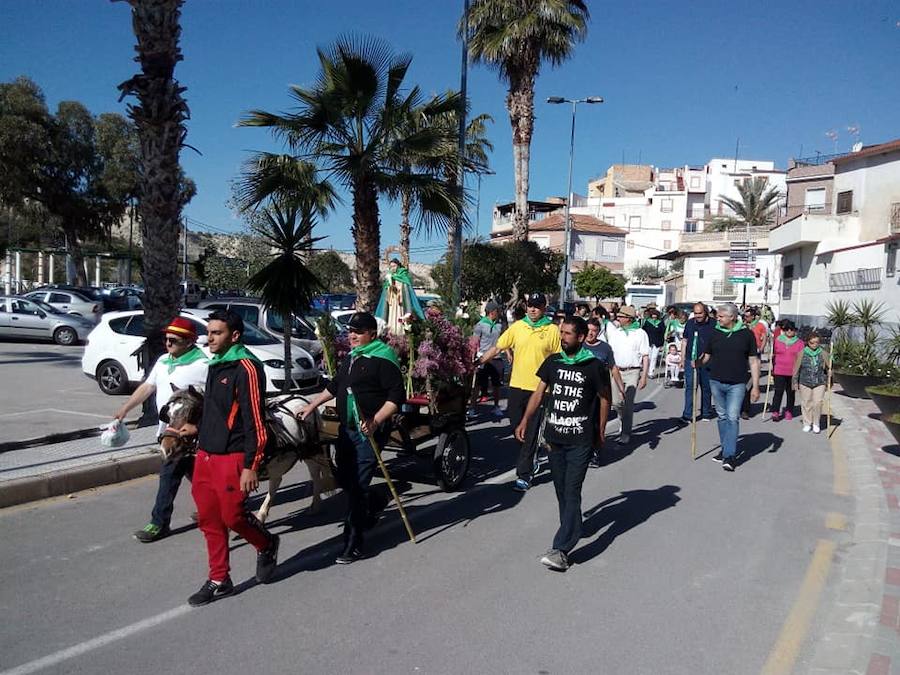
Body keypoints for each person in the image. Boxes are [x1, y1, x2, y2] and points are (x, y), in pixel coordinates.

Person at [188, 310, 279, 607]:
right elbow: (216, 411)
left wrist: (252, 465)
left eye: (216, 333)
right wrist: (198, 428)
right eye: (209, 332)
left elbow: (255, 420)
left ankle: (266, 543)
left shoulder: (247, 368)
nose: (209, 338)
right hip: (205, 454)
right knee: (209, 520)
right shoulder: (216, 364)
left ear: (234, 336)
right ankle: (219, 579)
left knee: (233, 517)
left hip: (234, 456)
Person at [299, 312, 405, 563]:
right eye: (350, 331)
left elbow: (395, 398)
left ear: (372, 333)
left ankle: (353, 542)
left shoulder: (384, 358)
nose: (352, 336)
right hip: (346, 431)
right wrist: (312, 405)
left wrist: (376, 420)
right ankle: (376, 499)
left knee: (356, 487)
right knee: (344, 480)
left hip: (369, 433)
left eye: (358, 331)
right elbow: (334, 386)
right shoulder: (352, 358)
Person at [514, 316, 611, 572]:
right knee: (560, 490)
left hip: (580, 439)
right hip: (554, 438)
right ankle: (572, 526)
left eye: (568, 333)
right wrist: (526, 419)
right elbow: (539, 392)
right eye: (562, 332)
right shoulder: (553, 362)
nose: (563, 337)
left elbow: (604, 399)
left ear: (580, 338)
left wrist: (600, 431)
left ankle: (562, 548)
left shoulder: (593, 365)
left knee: (571, 490)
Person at [114, 316, 209, 543]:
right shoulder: (164, 361)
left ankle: (159, 523)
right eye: (166, 339)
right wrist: (125, 408)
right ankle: (215, 510)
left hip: (190, 435)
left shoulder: (203, 365)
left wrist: (197, 426)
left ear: (189, 341)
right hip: (166, 432)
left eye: (174, 340)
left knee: (169, 475)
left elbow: (215, 400)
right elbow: (148, 386)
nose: (168, 344)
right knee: (196, 476)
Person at [479, 292, 561, 492]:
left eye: (537, 306)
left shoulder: (552, 330)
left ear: (544, 308)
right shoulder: (517, 327)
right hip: (516, 386)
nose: (533, 309)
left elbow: (559, 360)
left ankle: (524, 474)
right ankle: (530, 458)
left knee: (531, 432)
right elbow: (498, 348)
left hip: (540, 389)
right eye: (530, 306)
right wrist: (479, 362)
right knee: (517, 428)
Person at [701, 303, 760, 472]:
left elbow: (753, 361)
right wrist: (696, 362)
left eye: (720, 316)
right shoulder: (715, 333)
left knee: (732, 417)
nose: (717, 319)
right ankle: (725, 448)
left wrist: (755, 386)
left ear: (732, 317)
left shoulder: (746, 335)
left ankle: (730, 455)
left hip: (737, 383)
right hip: (716, 381)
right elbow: (706, 356)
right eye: (717, 316)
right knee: (721, 416)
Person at [605, 305, 649, 445]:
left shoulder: (640, 333)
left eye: (621, 316)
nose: (618, 318)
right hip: (616, 371)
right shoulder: (615, 332)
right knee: (616, 402)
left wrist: (644, 376)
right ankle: (621, 416)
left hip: (633, 371)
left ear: (629, 319)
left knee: (628, 403)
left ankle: (625, 433)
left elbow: (645, 356)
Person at [585, 318, 625, 465]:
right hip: (582, 391)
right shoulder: (578, 345)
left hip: (600, 391)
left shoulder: (605, 348)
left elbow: (613, 367)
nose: (590, 334)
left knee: (598, 423)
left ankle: (596, 452)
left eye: (594, 331)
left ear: (598, 332)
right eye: (588, 330)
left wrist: (620, 386)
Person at [470, 301, 506, 420]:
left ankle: (496, 407)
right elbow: (474, 341)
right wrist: (473, 356)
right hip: (483, 358)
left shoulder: (500, 325)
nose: (499, 313)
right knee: (478, 385)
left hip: (496, 358)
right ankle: (472, 408)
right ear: (491, 312)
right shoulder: (480, 325)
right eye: (497, 311)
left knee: (497, 384)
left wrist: (509, 353)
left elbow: (504, 340)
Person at [680, 303, 715, 424]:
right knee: (690, 387)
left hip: (707, 360)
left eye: (700, 313)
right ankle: (687, 414)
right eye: (695, 313)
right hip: (691, 359)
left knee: (706, 387)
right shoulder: (690, 323)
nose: (697, 316)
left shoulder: (714, 324)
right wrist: (682, 358)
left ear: (705, 312)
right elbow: (685, 340)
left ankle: (706, 411)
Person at [374, 258, 425, 335]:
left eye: (394, 266)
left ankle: (401, 331)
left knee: (400, 316)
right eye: (391, 266)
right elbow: (386, 291)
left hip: (400, 302)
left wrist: (396, 288)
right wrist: (389, 285)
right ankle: (390, 332)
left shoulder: (403, 276)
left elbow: (406, 291)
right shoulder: (389, 277)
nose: (392, 268)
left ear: (398, 266)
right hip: (392, 302)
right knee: (391, 317)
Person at [793, 331, 830, 433]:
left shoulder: (823, 353)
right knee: (806, 403)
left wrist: (830, 374)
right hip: (805, 381)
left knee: (818, 402)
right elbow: (796, 368)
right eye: (812, 343)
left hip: (820, 381)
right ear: (807, 342)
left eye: (817, 342)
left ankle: (816, 423)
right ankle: (807, 423)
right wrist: (795, 382)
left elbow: (829, 366)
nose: (814, 345)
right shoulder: (801, 353)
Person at [770, 320, 804, 421]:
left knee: (790, 393)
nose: (789, 331)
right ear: (783, 330)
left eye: (791, 329)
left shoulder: (800, 343)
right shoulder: (777, 340)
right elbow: (773, 354)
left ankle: (789, 410)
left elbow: (801, 358)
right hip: (779, 370)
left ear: (795, 331)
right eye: (786, 329)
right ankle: (775, 411)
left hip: (793, 372)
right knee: (778, 392)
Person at [740, 307, 768, 419]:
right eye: (744, 316)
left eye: (747, 316)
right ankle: (740, 407)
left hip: (755, 354)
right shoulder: (742, 325)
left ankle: (746, 409)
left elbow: (764, 338)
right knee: (741, 382)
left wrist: (761, 349)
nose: (745, 318)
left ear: (753, 316)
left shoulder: (760, 325)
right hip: (743, 355)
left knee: (750, 383)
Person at [642, 308, 666, 378]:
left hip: (657, 342)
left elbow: (663, 332)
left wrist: (663, 342)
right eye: (653, 315)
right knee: (648, 357)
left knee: (654, 358)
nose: (654, 317)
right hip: (649, 342)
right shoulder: (647, 322)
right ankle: (646, 370)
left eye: (655, 315)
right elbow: (644, 331)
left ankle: (651, 372)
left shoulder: (660, 323)